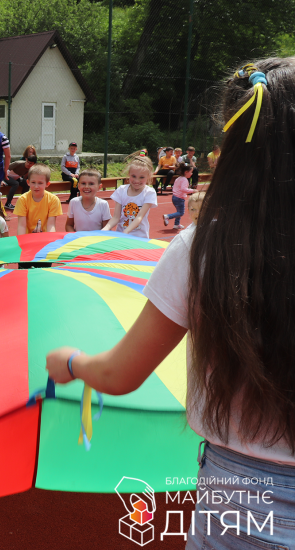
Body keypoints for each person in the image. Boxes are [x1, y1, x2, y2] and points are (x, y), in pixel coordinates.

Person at [46, 58, 295, 550]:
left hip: (243, 498)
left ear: (231, 153)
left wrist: (70, 362)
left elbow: (120, 374)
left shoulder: (203, 250)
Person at [104, 152, 158, 238]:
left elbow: (140, 216)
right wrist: (105, 229)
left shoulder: (149, 192)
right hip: (121, 236)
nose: (137, 181)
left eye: (141, 177)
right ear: (129, 173)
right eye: (134, 176)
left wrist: (127, 231)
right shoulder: (121, 190)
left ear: (148, 176)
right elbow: (116, 217)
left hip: (139, 237)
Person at [13, 163, 61, 235]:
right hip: (27, 239)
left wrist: (50, 242)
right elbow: (21, 226)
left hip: (45, 239)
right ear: (28, 182)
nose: (36, 186)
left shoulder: (53, 200)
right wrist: (22, 243)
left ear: (47, 184)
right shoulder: (22, 200)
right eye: (33, 182)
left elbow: (51, 225)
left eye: (40, 183)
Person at [163, 163, 196, 230]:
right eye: (191, 172)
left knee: (179, 211)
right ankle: (168, 216)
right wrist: (193, 190)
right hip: (179, 198)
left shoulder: (179, 178)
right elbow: (183, 189)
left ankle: (176, 224)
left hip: (175, 197)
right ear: (186, 172)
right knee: (181, 212)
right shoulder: (184, 180)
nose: (192, 174)